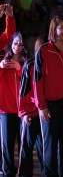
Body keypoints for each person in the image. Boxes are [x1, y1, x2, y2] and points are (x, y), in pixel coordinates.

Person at [34, 16, 63, 177]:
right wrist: (41, 106)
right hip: (50, 105)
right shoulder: (44, 50)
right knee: (50, 147)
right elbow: (37, 79)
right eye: (62, 27)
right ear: (54, 29)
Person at [17, 35, 47, 177]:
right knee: (26, 149)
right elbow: (23, 91)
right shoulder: (30, 65)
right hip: (30, 113)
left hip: (45, 114)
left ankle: (46, 173)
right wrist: (24, 113)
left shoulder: (50, 64)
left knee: (44, 150)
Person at [0, 32, 28, 176]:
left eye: (21, 44)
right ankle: (7, 172)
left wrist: (19, 69)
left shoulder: (27, 61)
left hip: (23, 110)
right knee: (7, 145)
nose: (18, 46)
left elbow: (30, 84)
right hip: (6, 109)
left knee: (23, 145)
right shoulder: (4, 59)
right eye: (16, 43)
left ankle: (22, 172)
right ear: (11, 43)